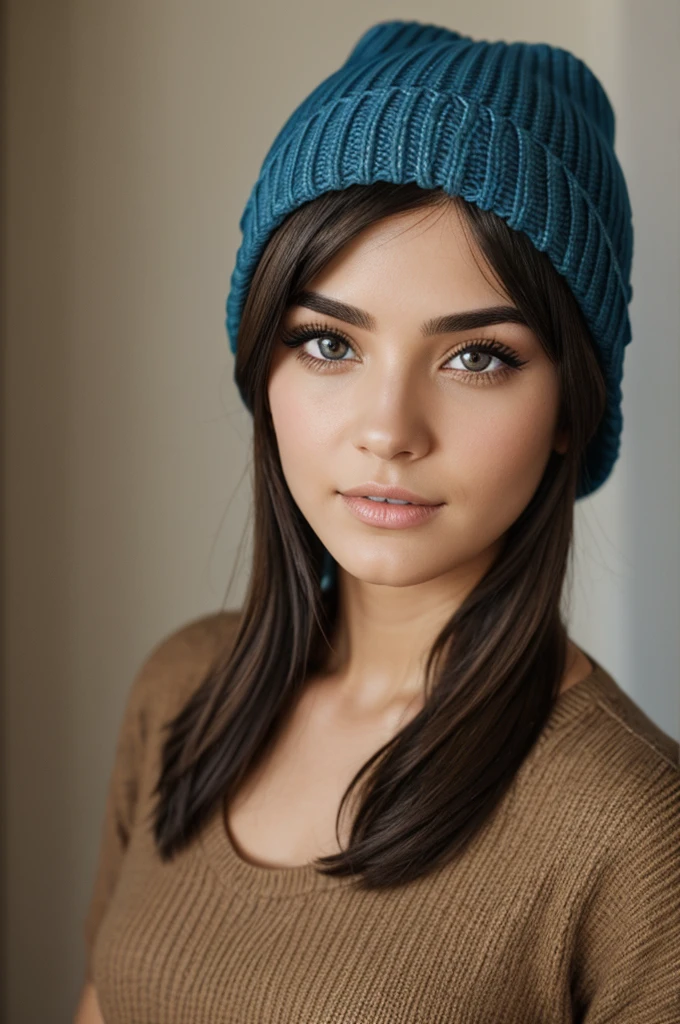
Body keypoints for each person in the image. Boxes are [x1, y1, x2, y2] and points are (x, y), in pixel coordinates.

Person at [75, 19, 679, 1024]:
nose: (387, 430)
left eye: (476, 356)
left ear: (572, 406)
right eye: (326, 342)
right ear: (260, 361)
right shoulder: (183, 694)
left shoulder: (633, 830)